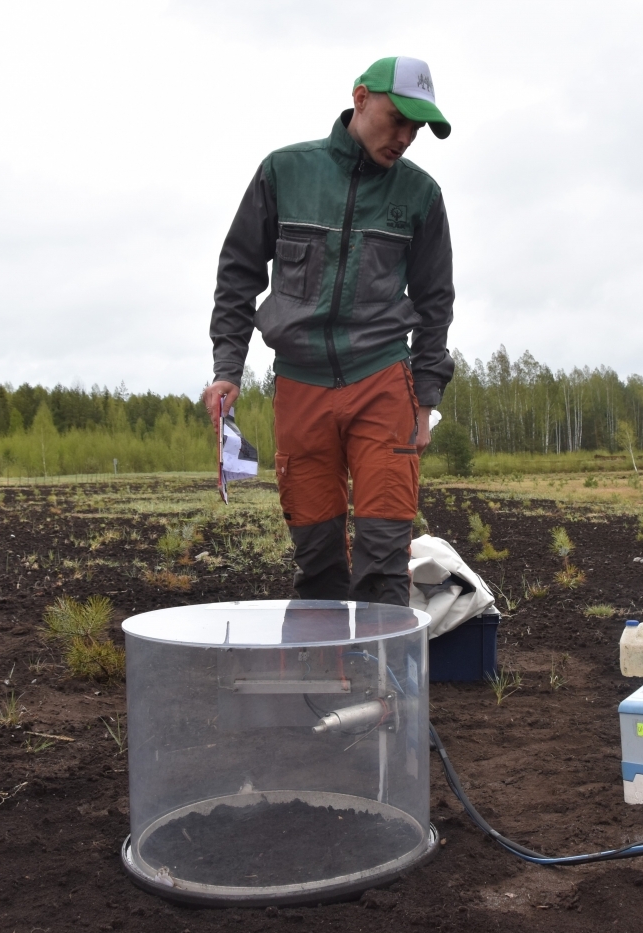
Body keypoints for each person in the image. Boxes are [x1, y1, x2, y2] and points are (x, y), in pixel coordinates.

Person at [205, 56, 456, 606]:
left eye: (417, 128)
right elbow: (239, 272)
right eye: (398, 119)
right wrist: (227, 369)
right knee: (317, 559)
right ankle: (323, 688)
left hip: (382, 380)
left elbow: (436, 303)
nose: (406, 137)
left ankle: (383, 690)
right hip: (301, 385)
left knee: (384, 559)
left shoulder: (421, 196)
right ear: (361, 98)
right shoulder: (284, 172)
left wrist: (425, 401)